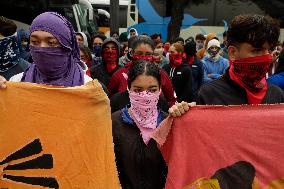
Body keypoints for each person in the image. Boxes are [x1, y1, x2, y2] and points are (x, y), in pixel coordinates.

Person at [112, 60, 189, 189]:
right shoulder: (114, 123)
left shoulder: (169, 123)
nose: (145, 95)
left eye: (152, 90)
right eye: (138, 90)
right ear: (128, 89)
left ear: (160, 90)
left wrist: (188, 117)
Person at [197, 14, 284, 105]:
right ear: (233, 53)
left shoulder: (277, 95)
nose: (266, 57)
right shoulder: (209, 94)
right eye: (257, 50)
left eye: (269, 50)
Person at [0, 12, 92, 88]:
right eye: (35, 41)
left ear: (67, 47)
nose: (41, 48)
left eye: (51, 42)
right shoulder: (17, 81)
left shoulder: (88, 87)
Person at [108, 35, 176, 106]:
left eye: (148, 54)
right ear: (132, 53)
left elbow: (171, 101)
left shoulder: (161, 74)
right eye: (139, 53)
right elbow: (108, 101)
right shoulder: (119, 75)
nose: (143, 57)